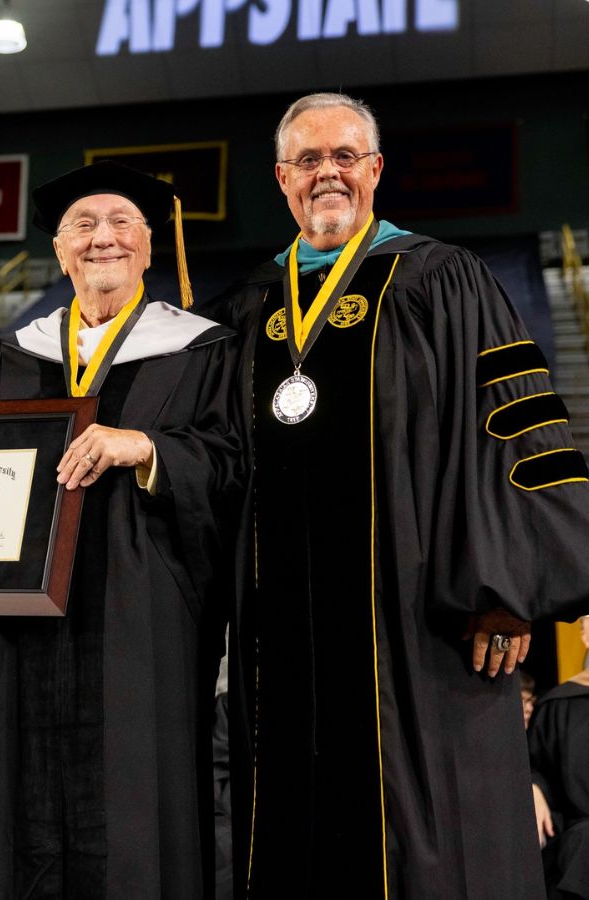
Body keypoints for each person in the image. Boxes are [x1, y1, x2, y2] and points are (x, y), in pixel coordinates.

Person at [212, 92, 589, 898]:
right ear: (282, 179)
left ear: (375, 170)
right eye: (309, 161)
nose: (328, 175)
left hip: (420, 635)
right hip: (278, 644)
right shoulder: (248, 307)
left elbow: (513, 428)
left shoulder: (441, 279)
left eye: (345, 157)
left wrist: (505, 591)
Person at [0, 161, 242, 898]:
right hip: (19, 637)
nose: (103, 239)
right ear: (60, 252)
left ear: (150, 248)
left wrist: (150, 448)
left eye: (121, 223)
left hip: (146, 627)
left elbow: (234, 471)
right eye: (84, 227)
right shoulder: (4, 358)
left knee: (135, 810)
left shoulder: (202, 351)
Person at [530, 616, 589, 899]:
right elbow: (536, 766)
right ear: (585, 634)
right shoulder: (558, 705)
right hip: (578, 843)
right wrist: (534, 785)